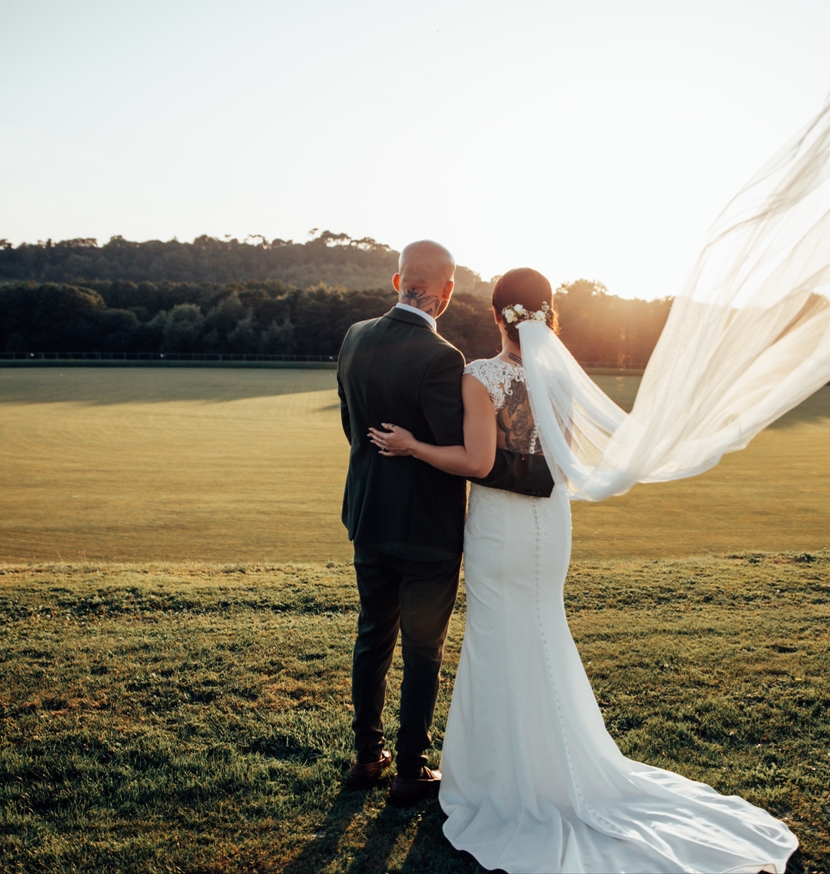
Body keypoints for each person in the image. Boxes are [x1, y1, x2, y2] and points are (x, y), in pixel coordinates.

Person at [370, 268, 799, 872]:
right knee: (543, 630)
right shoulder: (558, 380)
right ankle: (559, 765)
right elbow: (558, 458)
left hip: (500, 527)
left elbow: (477, 460)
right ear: (548, 318)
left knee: (498, 638)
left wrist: (412, 446)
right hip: (551, 522)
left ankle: (506, 779)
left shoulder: (480, 376)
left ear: (497, 316)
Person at [335, 241, 554, 809]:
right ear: (448, 291)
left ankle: (366, 757)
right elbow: (461, 449)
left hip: (368, 517)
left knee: (371, 637)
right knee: (424, 650)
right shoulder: (443, 358)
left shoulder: (354, 337)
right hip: (428, 532)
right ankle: (410, 770)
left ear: (396, 281)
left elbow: (351, 427)